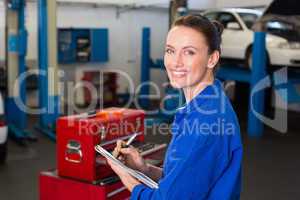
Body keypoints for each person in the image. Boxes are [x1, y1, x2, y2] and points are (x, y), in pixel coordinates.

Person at [106, 14, 243, 200]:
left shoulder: (207, 123)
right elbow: (185, 182)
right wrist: (144, 169)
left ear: (212, 59)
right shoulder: (204, 105)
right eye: (170, 51)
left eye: (189, 52)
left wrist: (123, 173)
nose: (175, 62)